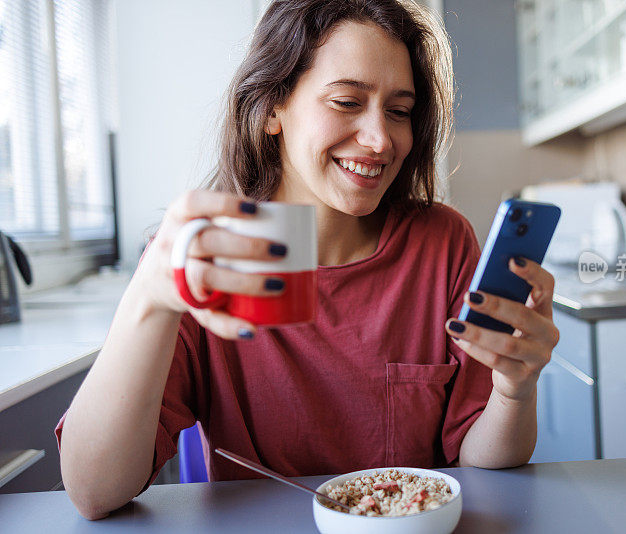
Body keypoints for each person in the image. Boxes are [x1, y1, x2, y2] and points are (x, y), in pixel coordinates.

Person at [56, 0, 559, 521]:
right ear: (273, 106)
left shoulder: (441, 243)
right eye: (346, 101)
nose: (380, 139)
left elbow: (480, 459)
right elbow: (95, 492)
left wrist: (514, 391)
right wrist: (149, 298)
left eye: (399, 111)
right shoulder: (209, 256)